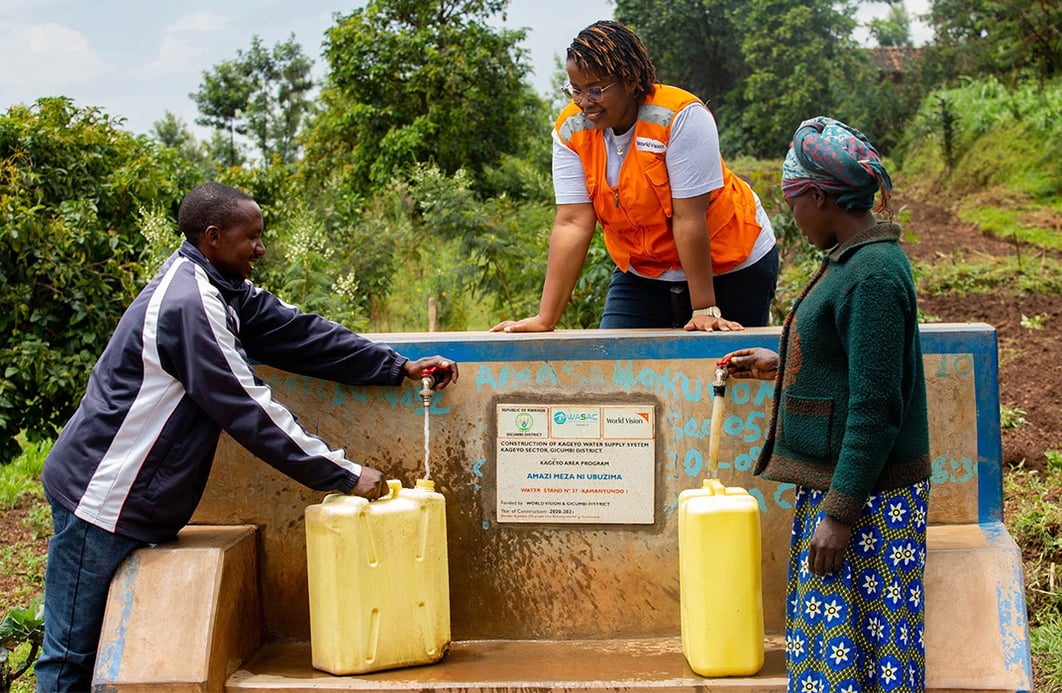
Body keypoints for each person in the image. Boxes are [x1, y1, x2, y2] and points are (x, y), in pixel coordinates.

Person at [35, 182, 459, 692]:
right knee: (69, 660)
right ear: (213, 237)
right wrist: (346, 474)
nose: (261, 248)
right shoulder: (189, 305)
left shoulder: (223, 287)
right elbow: (248, 409)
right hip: (101, 501)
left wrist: (398, 367)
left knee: (98, 657)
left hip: (133, 503)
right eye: (250, 238)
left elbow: (301, 335)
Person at [721, 117, 931, 691]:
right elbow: (849, 362)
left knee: (859, 655)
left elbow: (877, 405)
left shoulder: (873, 275)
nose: (792, 216)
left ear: (819, 196)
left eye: (794, 202)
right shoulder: (854, 260)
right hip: (852, 487)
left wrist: (838, 514)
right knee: (840, 653)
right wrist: (780, 366)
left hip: (868, 501)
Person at [491, 20, 777, 334]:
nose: (585, 103)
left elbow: (688, 217)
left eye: (596, 90)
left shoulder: (680, 117)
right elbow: (572, 221)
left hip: (730, 264)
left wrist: (704, 309)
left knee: (726, 367)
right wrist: (546, 319)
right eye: (575, 90)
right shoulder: (570, 129)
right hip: (645, 274)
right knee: (617, 365)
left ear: (629, 80)